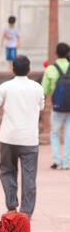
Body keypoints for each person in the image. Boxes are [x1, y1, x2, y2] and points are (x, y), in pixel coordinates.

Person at [0, 56, 44, 218]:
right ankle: (26, 212)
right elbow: (41, 106)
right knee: (29, 176)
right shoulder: (37, 87)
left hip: (8, 137)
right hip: (29, 138)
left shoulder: (5, 86)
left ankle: (12, 205)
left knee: (7, 171)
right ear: (29, 70)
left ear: (12, 68)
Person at [42, 42, 70, 170]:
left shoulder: (51, 69)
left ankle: (57, 161)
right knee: (69, 134)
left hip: (58, 107)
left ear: (56, 53)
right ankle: (66, 163)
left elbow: (45, 89)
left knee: (55, 133)